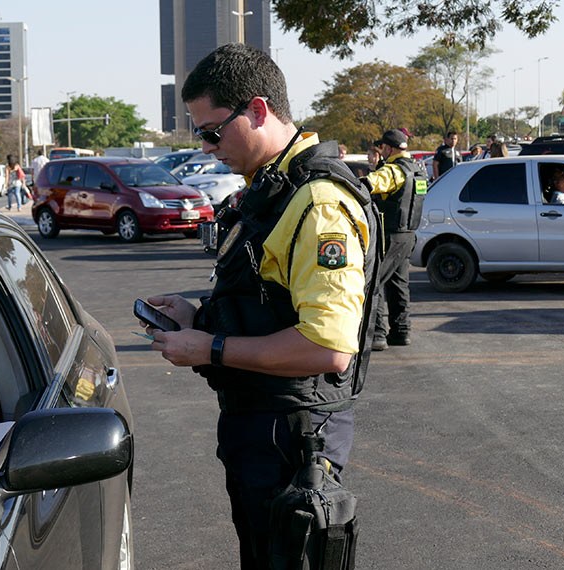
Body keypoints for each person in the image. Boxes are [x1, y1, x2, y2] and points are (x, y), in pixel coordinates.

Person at [140, 44, 379, 569]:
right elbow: (267, 303)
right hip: (264, 430)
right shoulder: (272, 191)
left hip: (293, 441)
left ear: (257, 110)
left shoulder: (318, 204)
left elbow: (328, 347)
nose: (205, 147)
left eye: (211, 131)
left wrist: (212, 347)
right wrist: (197, 316)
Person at [361, 129, 427, 351]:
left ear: (389, 149)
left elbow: (368, 185)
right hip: (409, 235)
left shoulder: (393, 171)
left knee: (374, 283)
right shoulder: (418, 170)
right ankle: (401, 332)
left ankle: (377, 335)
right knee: (399, 284)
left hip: (389, 234)